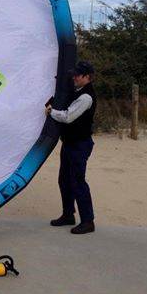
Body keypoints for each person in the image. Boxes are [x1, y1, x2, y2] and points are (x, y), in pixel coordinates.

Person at [45, 61, 96, 234]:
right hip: (70, 143)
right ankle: (68, 215)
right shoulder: (77, 92)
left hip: (80, 144)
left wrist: (51, 112)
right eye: (74, 74)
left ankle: (88, 221)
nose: (74, 77)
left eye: (77, 75)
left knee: (77, 181)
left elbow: (68, 117)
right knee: (64, 180)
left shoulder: (86, 97)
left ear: (87, 77)